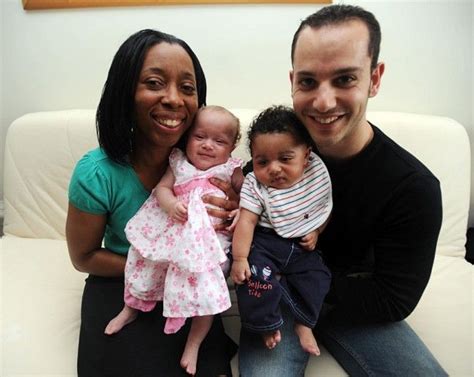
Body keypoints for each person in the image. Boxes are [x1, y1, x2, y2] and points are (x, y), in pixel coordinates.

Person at [238, 5, 446, 376]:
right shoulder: (275, 155)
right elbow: (245, 189)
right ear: (292, 82)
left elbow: (393, 300)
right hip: (276, 298)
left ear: (375, 78)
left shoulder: (413, 188)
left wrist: (306, 282)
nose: (323, 101)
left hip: (351, 303)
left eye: (345, 79)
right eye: (307, 82)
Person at [66, 29, 238, 377]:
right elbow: (83, 257)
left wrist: (238, 211)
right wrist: (156, 267)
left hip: (191, 279)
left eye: (187, 88)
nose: (174, 99)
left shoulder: (211, 168)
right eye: (155, 83)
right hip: (121, 280)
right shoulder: (96, 173)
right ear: (124, 91)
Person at [104, 105, 244, 375]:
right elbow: (162, 189)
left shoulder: (232, 170)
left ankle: (193, 344)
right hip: (171, 235)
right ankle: (130, 308)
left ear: (232, 146)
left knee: (206, 291)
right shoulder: (179, 163)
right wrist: (169, 204)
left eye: (219, 141)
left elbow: (250, 201)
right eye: (200, 136)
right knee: (143, 263)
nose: (207, 146)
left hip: (206, 246)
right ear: (187, 136)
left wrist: (239, 208)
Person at [230, 105, 332, 356]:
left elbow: (322, 208)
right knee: (254, 279)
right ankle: (266, 323)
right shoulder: (255, 184)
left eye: (285, 159)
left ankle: (304, 322)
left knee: (320, 277)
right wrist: (240, 258)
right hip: (265, 244)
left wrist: (317, 231)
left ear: (306, 156)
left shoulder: (314, 173)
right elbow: (246, 221)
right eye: (262, 161)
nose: (273, 169)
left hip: (301, 247)